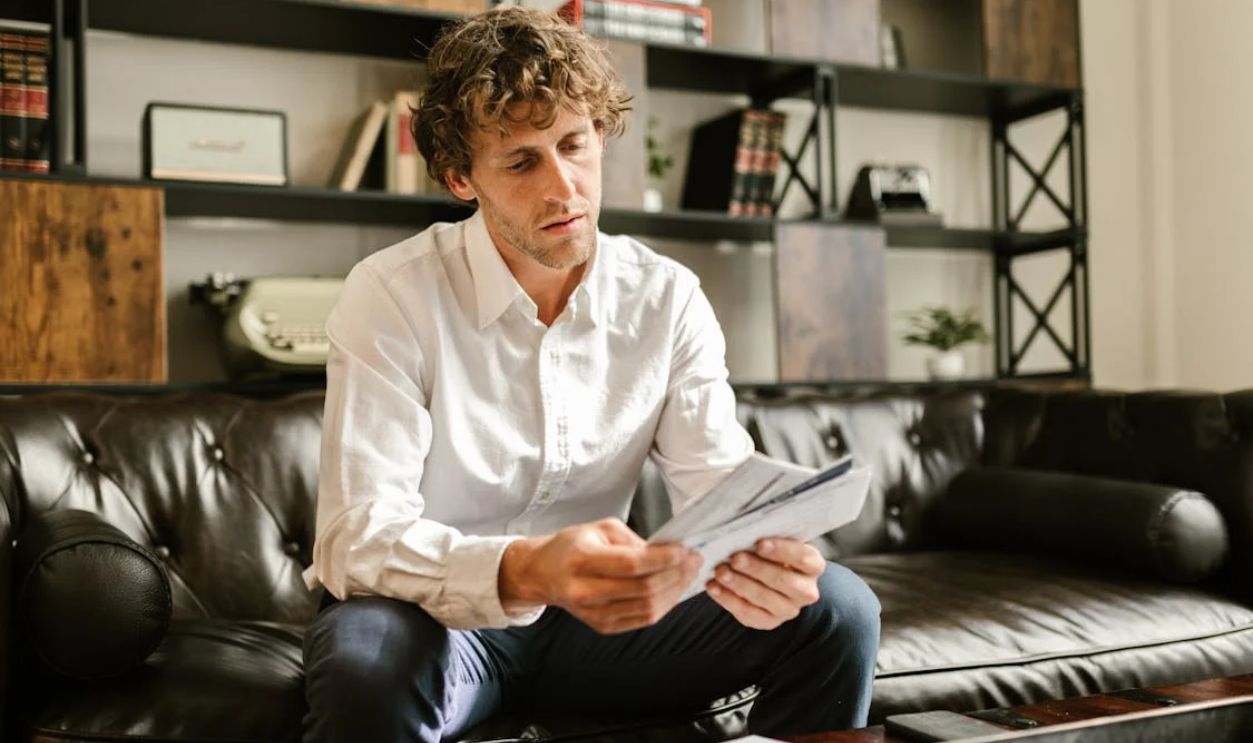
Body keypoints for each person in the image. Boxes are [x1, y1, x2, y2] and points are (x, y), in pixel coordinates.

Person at [302, 7, 879, 742]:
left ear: (600, 136)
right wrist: (526, 569)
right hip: (435, 621)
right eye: (521, 162)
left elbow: (719, 488)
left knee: (837, 608)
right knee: (365, 660)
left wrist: (763, 559)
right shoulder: (390, 292)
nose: (564, 187)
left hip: (598, 629)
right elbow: (356, 538)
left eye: (574, 145)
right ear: (460, 178)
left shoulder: (666, 296)